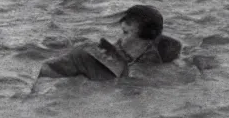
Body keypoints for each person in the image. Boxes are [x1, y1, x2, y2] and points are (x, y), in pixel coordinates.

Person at [36, 5, 182, 81]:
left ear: (148, 40)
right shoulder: (87, 57)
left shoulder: (165, 50)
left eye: (126, 33)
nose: (120, 39)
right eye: (122, 31)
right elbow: (45, 70)